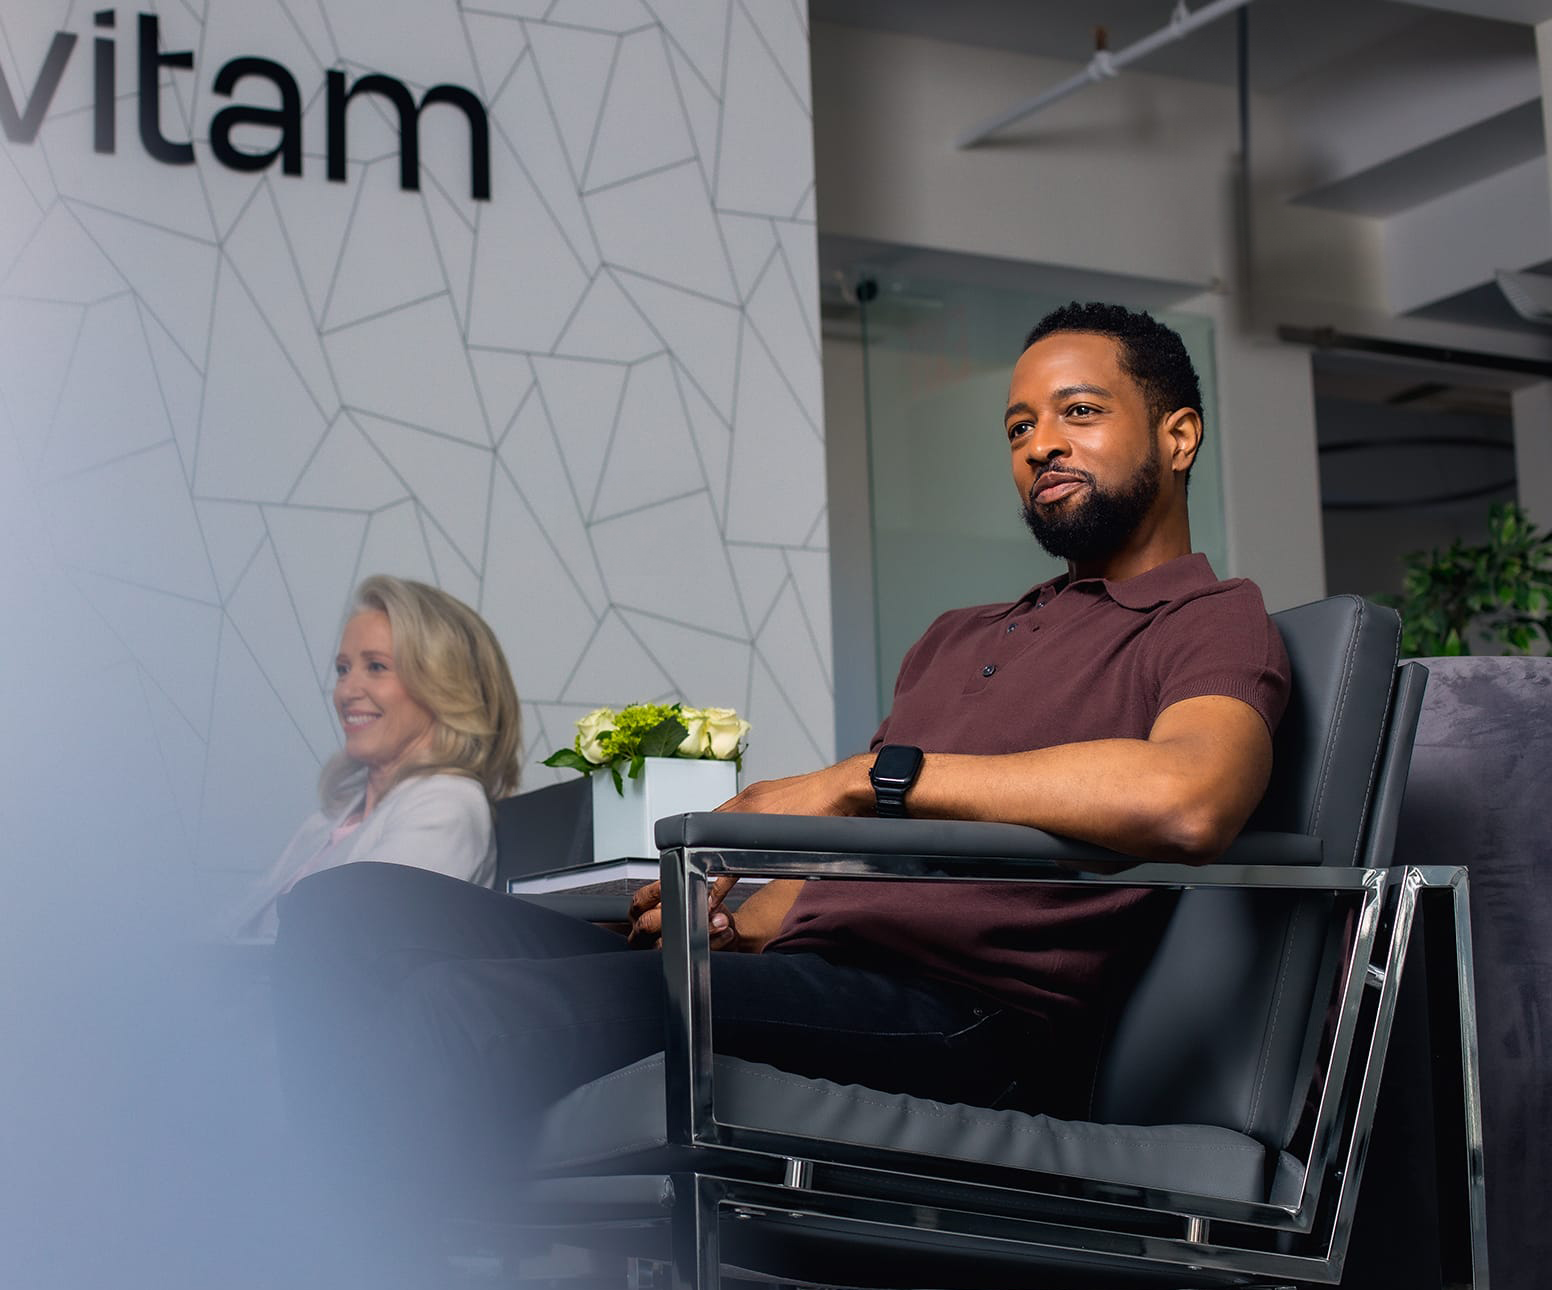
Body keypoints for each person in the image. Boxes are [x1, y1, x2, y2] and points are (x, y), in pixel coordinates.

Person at [274, 301, 1289, 1174]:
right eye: (1020, 425)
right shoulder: (960, 636)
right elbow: (871, 856)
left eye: (1080, 412)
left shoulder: (1208, 620)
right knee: (350, 912)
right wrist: (733, 917)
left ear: (1178, 435)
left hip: (960, 1015)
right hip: (807, 969)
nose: (1039, 444)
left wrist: (866, 778)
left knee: (463, 1011)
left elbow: (1191, 796)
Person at [228, 575, 521, 940]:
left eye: (377, 667)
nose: (346, 691)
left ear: (443, 683)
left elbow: (355, 945)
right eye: (343, 669)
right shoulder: (332, 819)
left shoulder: (448, 804)